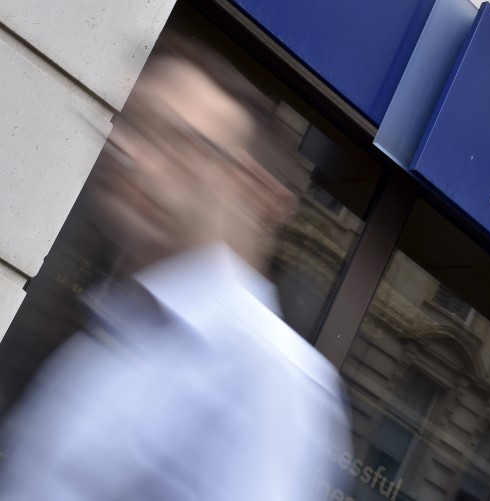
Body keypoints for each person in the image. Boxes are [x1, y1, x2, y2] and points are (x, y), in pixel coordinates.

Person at [0, 36, 351, 500]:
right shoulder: (114, 334)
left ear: (252, 190)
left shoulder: (267, 378)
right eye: (133, 129)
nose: (135, 160)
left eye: (179, 144)